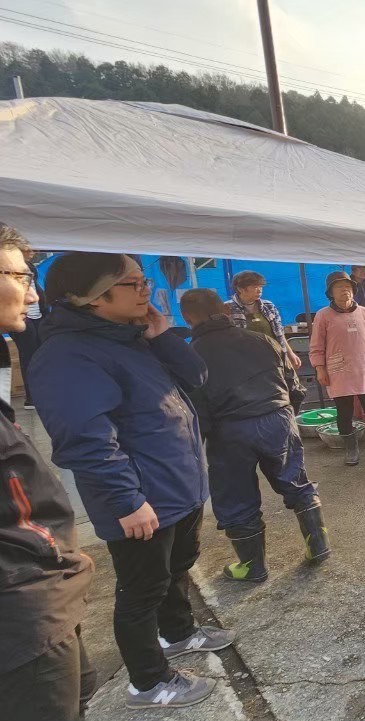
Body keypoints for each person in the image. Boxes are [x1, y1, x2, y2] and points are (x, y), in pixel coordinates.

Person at [30, 251, 234, 709]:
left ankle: (178, 633)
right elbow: (85, 440)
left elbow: (197, 377)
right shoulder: (68, 356)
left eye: (145, 281)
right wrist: (125, 500)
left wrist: (162, 337)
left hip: (175, 486)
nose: (146, 291)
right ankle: (149, 682)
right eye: (134, 283)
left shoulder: (132, 337)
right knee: (142, 591)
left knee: (177, 567)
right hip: (140, 498)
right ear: (92, 296)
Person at [0, 225, 96, 721]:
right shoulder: (62, 355)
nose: (33, 293)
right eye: (21, 277)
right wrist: (52, 563)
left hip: (40, 597)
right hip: (22, 612)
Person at [181, 289, 330, 583]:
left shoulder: (190, 355)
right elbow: (294, 385)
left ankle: (252, 566)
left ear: (187, 319)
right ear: (226, 311)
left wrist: (203, 442)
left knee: (236, 496)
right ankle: (319, 545)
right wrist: (287, 415)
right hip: (277, 418)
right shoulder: (262, 340)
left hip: (229, 430)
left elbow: (195, 408)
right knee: (296, 481)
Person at [310, 271, 365, 465]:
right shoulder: (323, 315)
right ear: (330, 293)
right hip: (339, 369)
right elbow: (316, 346)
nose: (344, 290)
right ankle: (351, 448)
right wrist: (320, 368)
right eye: (339, 287)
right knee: (344, 411)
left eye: (347, 287)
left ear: (353, 291)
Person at [226, 270, 302, 372]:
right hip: (245, 362)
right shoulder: (227, 308)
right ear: (240, 289)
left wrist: (290, 353)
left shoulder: (268, 306)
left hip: (274, 358)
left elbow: (279, 333)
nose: (259, 290)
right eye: (255, 287)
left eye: (261, 287)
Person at [9, 246, 47, 410]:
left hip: (37, 316)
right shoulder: (12, 267)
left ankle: (41, 393)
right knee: (28, 357)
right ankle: (31, 398)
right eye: (29, 249)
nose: (33, 252)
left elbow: (36, 291)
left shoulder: (30, 267)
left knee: (40, 355)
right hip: (23, 318)